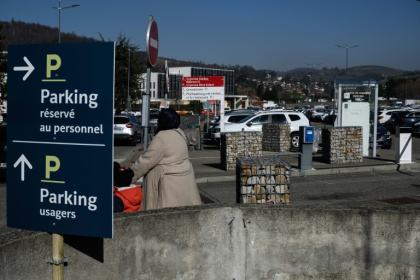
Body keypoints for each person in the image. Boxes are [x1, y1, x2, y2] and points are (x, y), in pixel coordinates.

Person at [130, 108, 202, 210]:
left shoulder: (161, 138)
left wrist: (128, 177)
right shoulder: (180, 133)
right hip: (182, 186)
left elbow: (146, 161)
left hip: (166, 187)